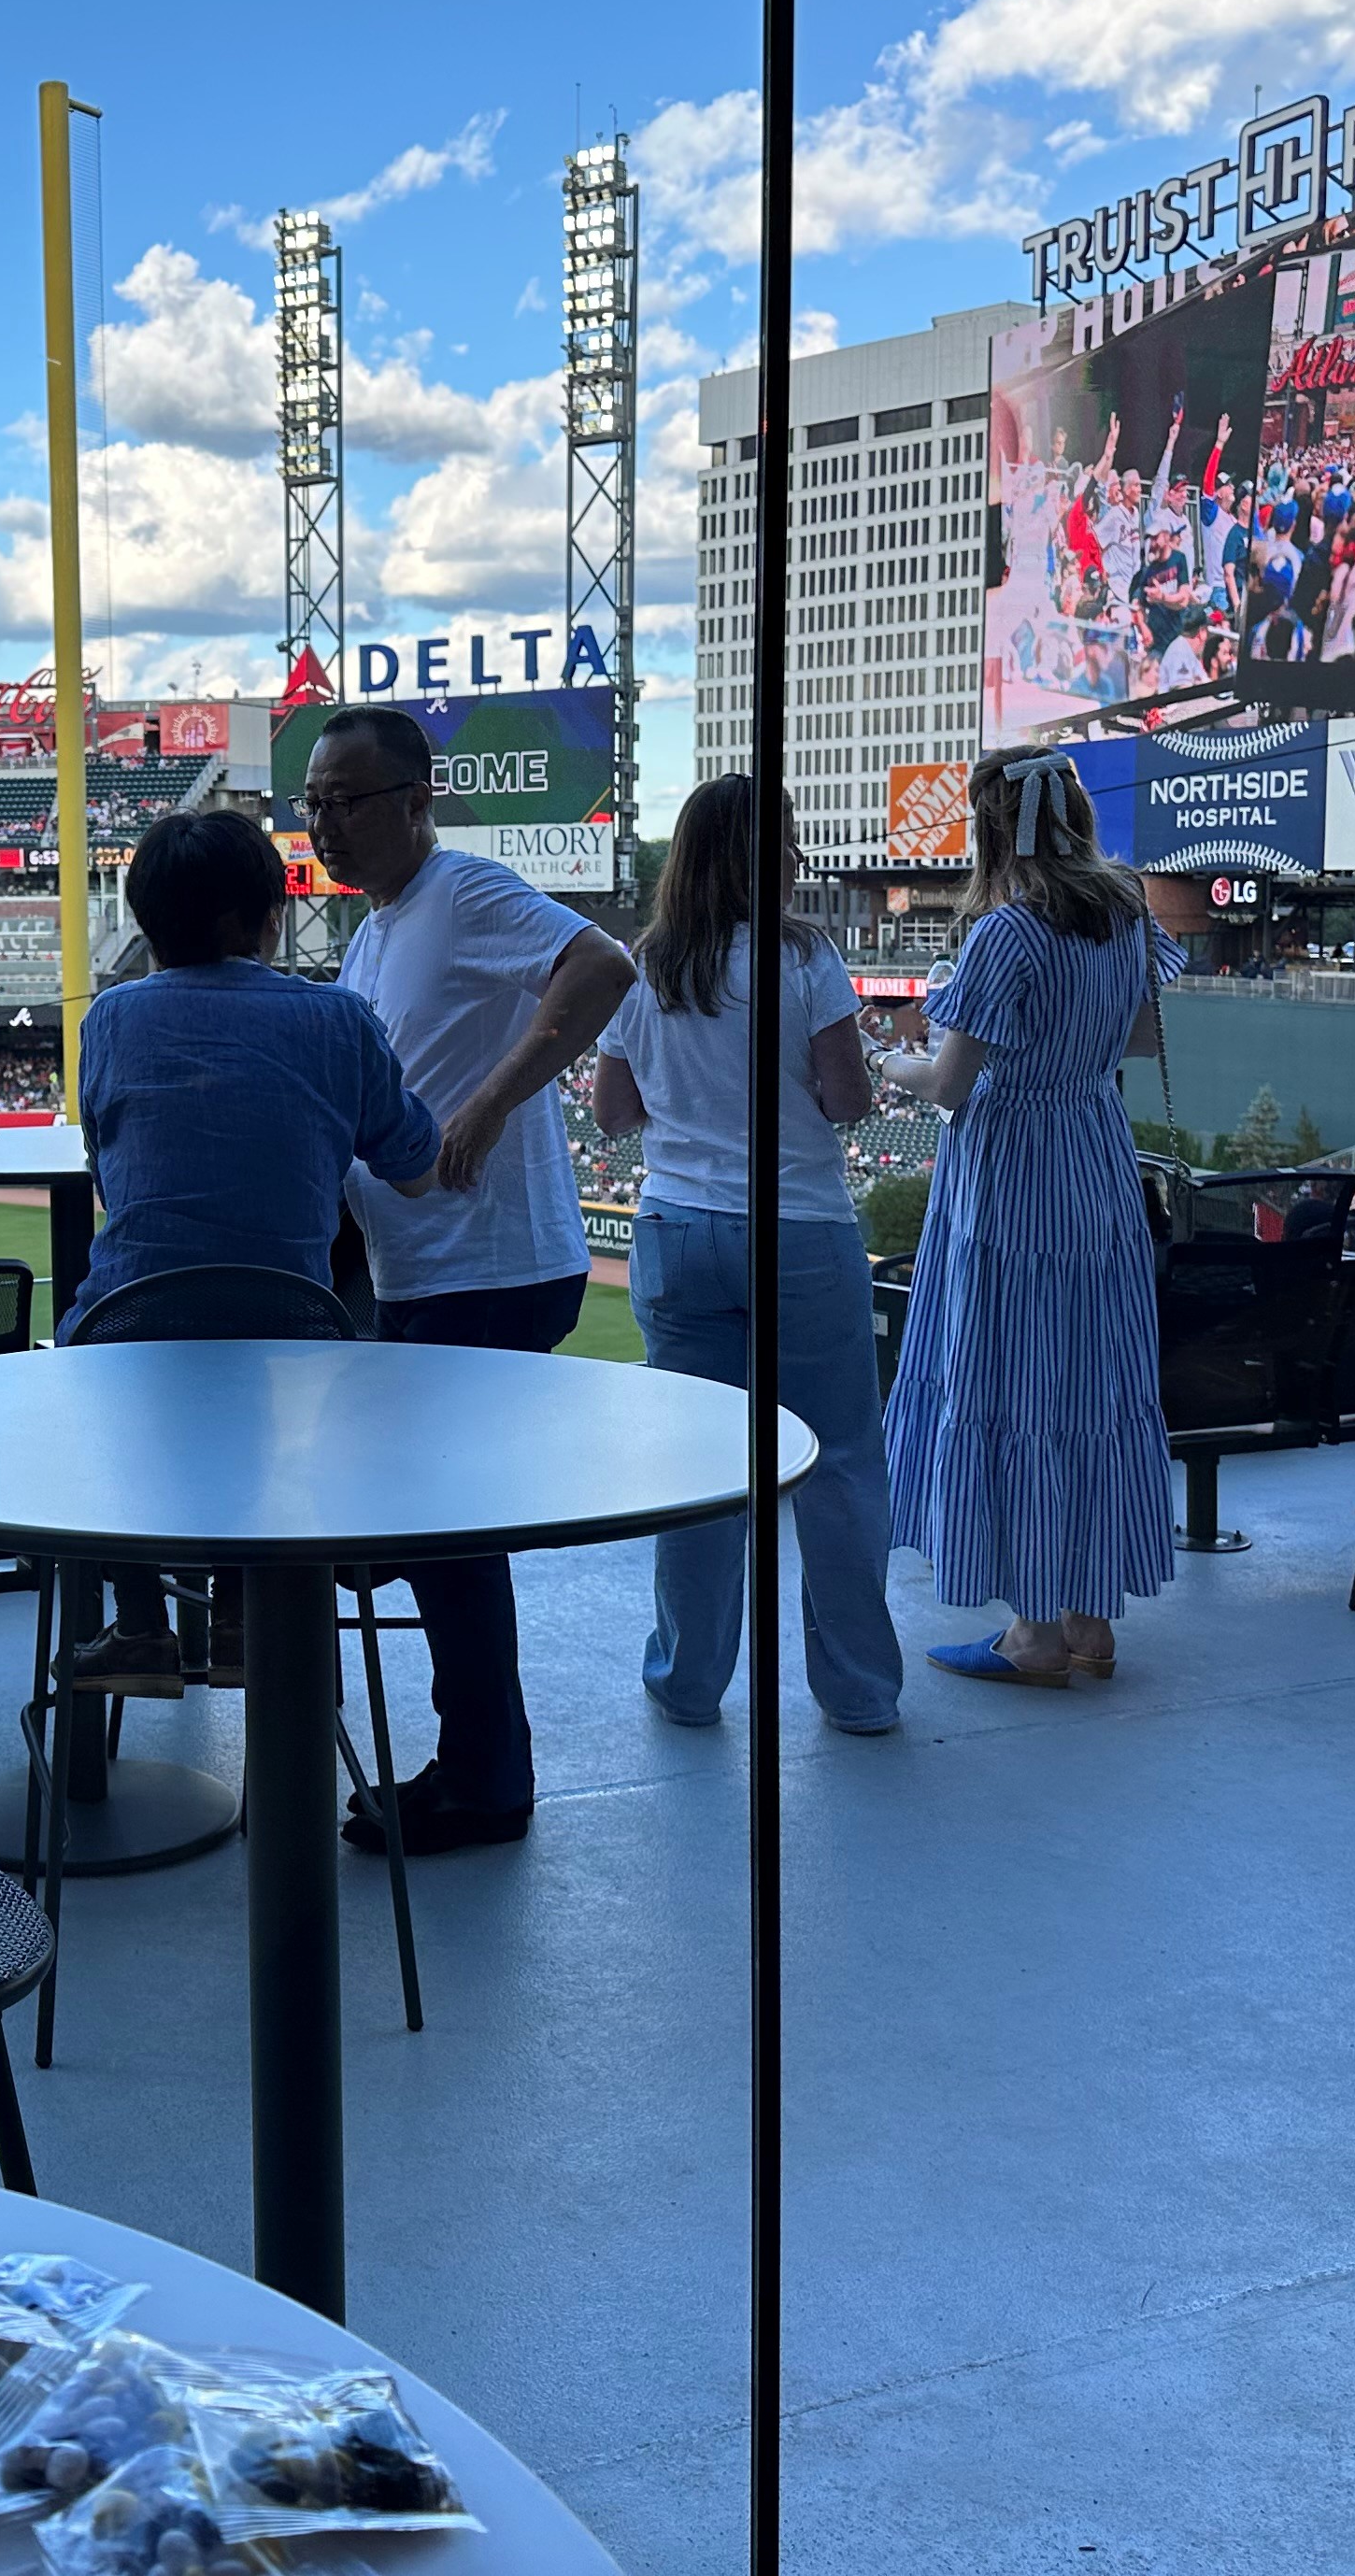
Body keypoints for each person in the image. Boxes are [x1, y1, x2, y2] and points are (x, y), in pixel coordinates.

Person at [304, 706, 637, 1853]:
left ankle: (485, 1781)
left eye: (346, 801)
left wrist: (493, 1102)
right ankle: (480, 1766)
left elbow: (603, 963)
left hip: (486, 1266)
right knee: (436, 1528)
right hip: (421, 1267)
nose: (325, 824)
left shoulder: (464, 891)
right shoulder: (374, 933)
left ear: (415, 801)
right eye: (313, 803)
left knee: (446, 1533)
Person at [64, 807, 441, 1688]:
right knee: (262, 1364)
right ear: (265, 918)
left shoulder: (109, 1018)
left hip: (129, 1326)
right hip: (295, 1336)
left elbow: (111, 1181)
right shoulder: (339, 1018)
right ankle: (243, 1608)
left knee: (118, 1380)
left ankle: (141, 1624)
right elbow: (417, 1171)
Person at [590, 773, 903, 1734]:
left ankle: (688, 1683)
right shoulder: (804, 955)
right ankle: (858, 1693)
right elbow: (849, 1100)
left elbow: (611, 1114)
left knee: (698, 1467)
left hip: (678, 1230)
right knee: (838, 1463)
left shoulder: (645, 962)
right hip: (799, 1228)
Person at [878, 746, 1180, 1684]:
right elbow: (1137, 1041)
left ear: (994, 828)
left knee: (1020, 1376)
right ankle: (1090, 1620)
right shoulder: (1128, 912)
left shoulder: (1008, 931)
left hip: (1014, 1169)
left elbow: (948, 1084)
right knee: (1091, 1375)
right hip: (1095, 1152)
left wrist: (888, 1061)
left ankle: (1035, 1634)